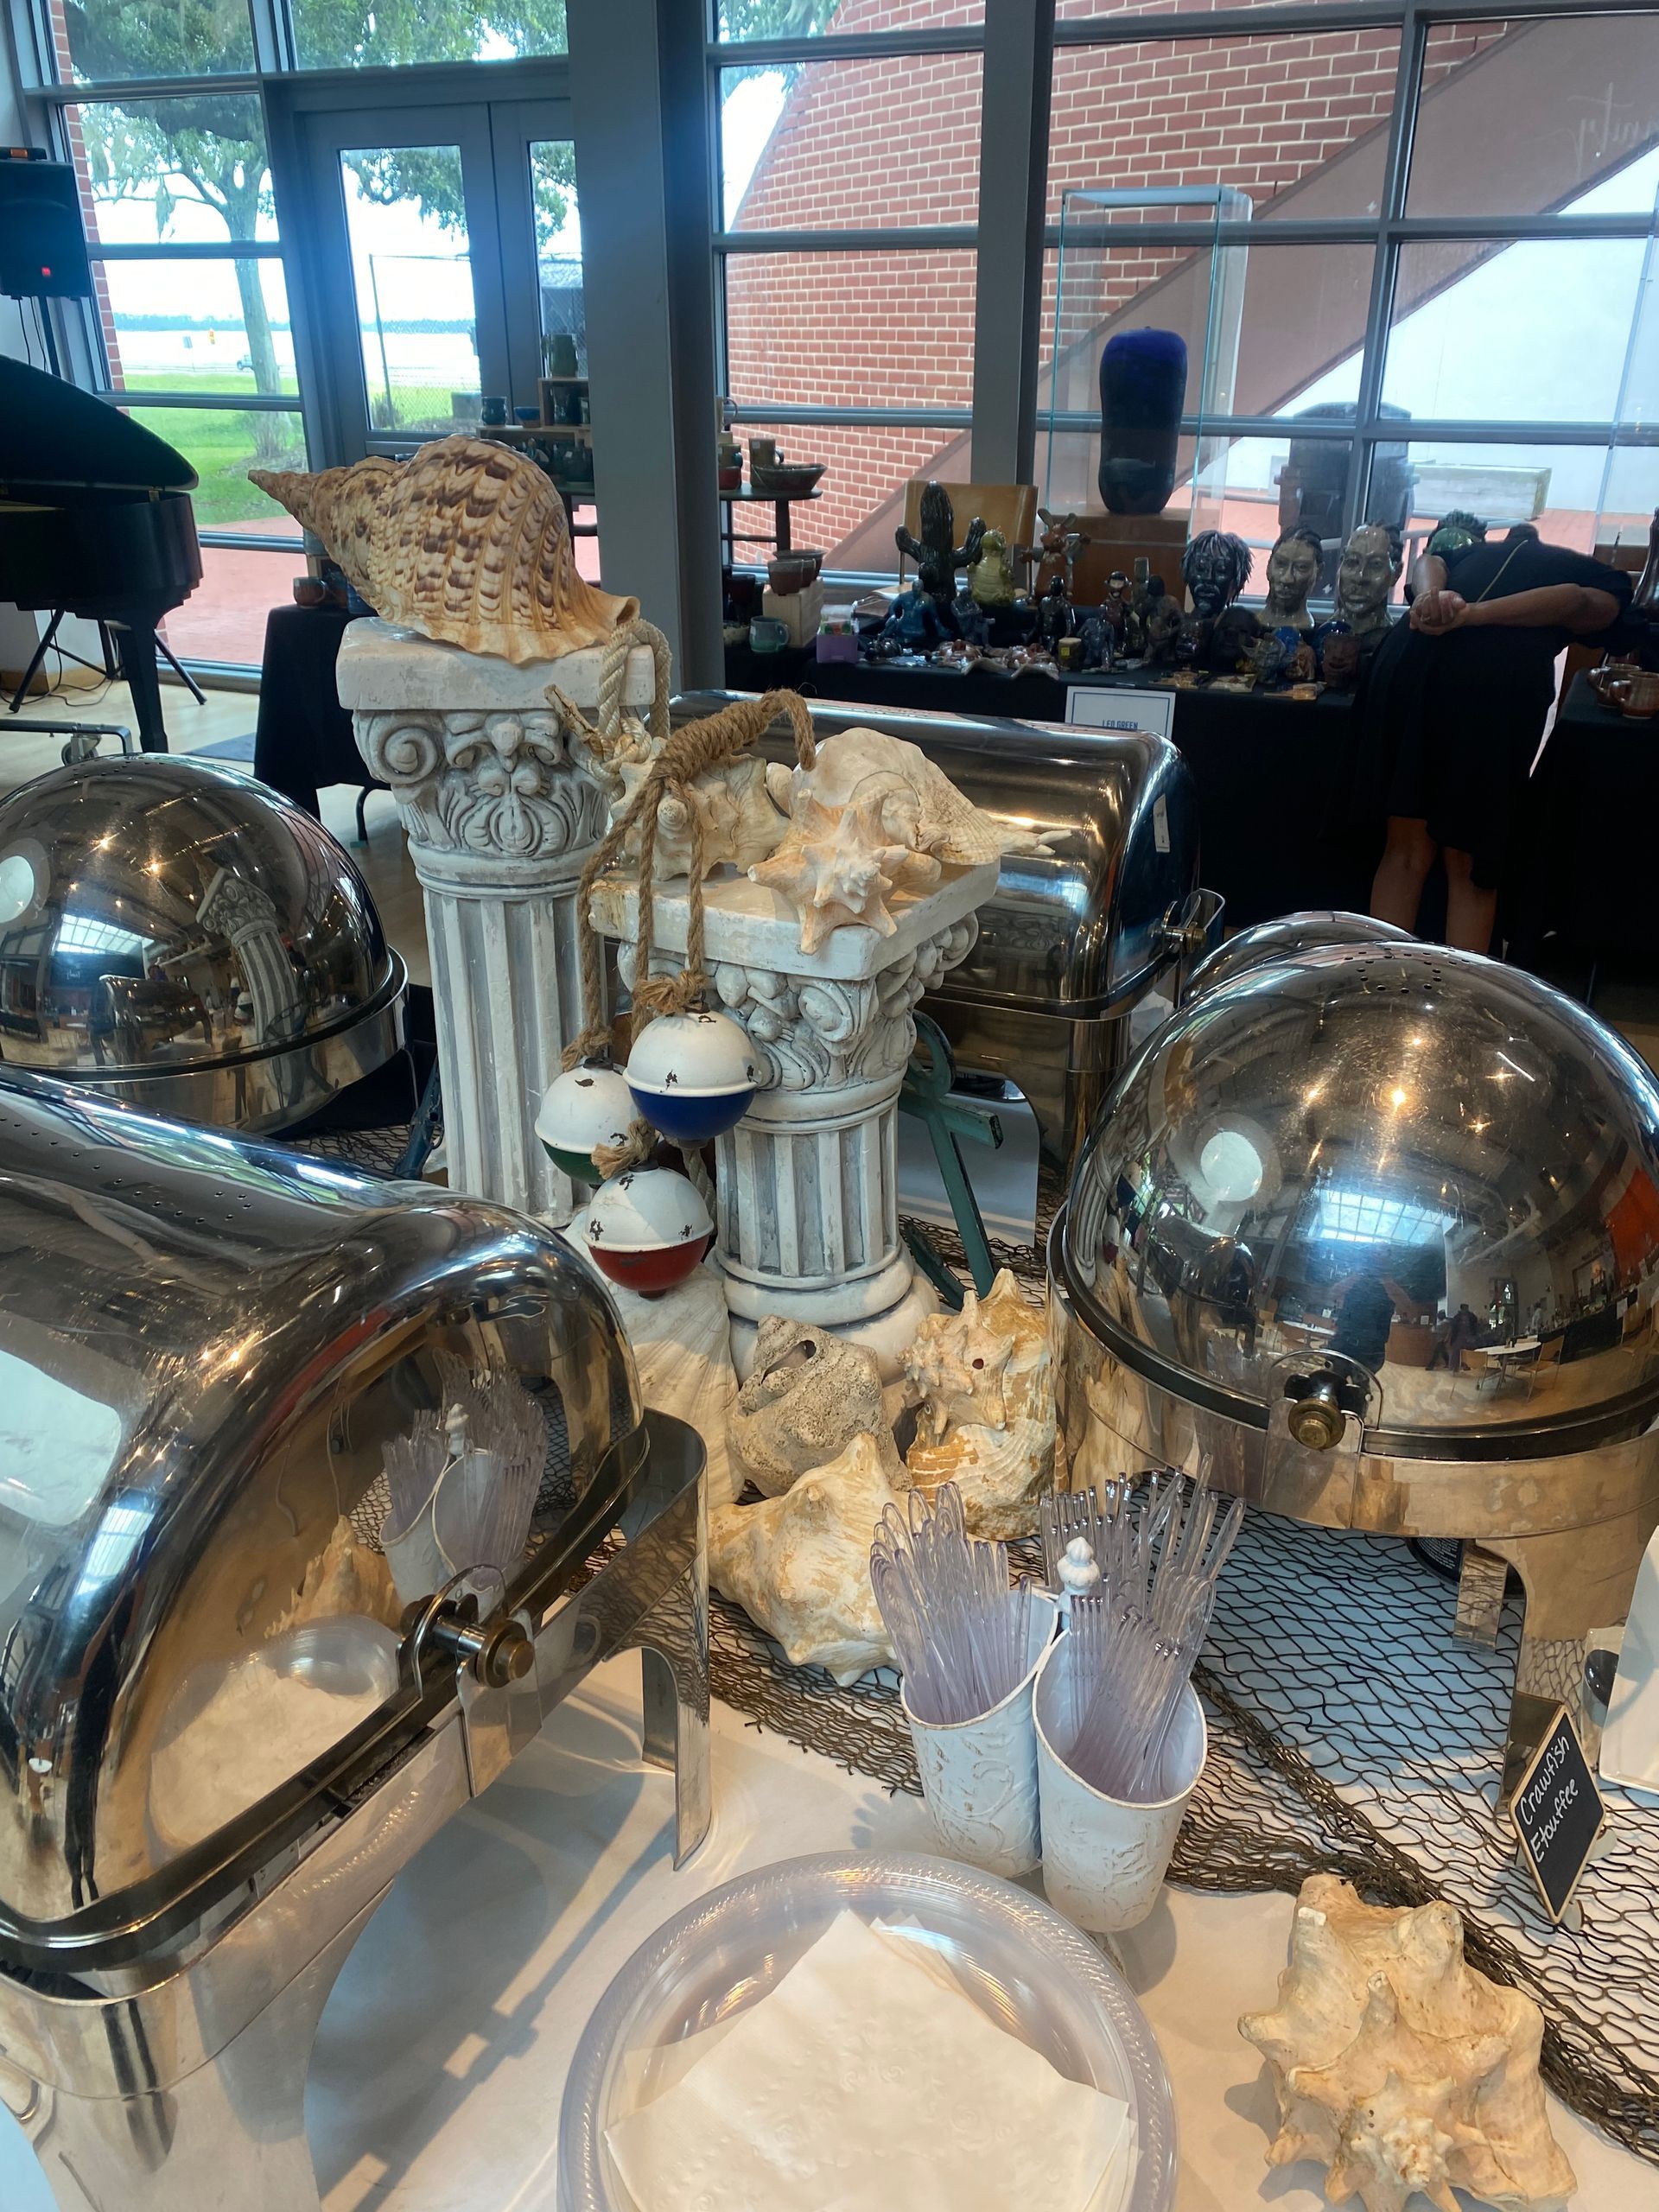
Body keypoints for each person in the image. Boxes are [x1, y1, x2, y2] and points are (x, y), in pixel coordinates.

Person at [1360, 525, 1630, 951]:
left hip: (1407, 662)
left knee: (1405, 852)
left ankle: (1378, 989)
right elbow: (1575, 600)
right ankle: (1459, 1008)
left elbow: (1429, 562)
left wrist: (1431, 599)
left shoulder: (1471, 555)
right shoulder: (1603, 577)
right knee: (1471, 863)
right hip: (1488, 686)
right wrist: (1470, 615)